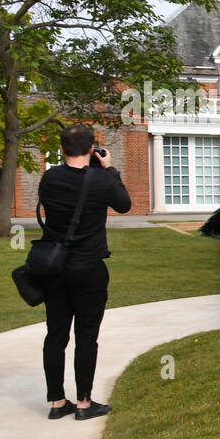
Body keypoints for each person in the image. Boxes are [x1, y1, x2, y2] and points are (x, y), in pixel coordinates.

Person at [37, 124, 132, 420]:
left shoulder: (49, 178)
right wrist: (110, 168)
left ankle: (56, 403)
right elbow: (125, 205)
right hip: (89, 268)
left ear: (62, 148)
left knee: (55, 335)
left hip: (54, 269)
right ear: (92, 148)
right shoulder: (102, 180)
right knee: (86, 337)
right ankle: (83, 403)